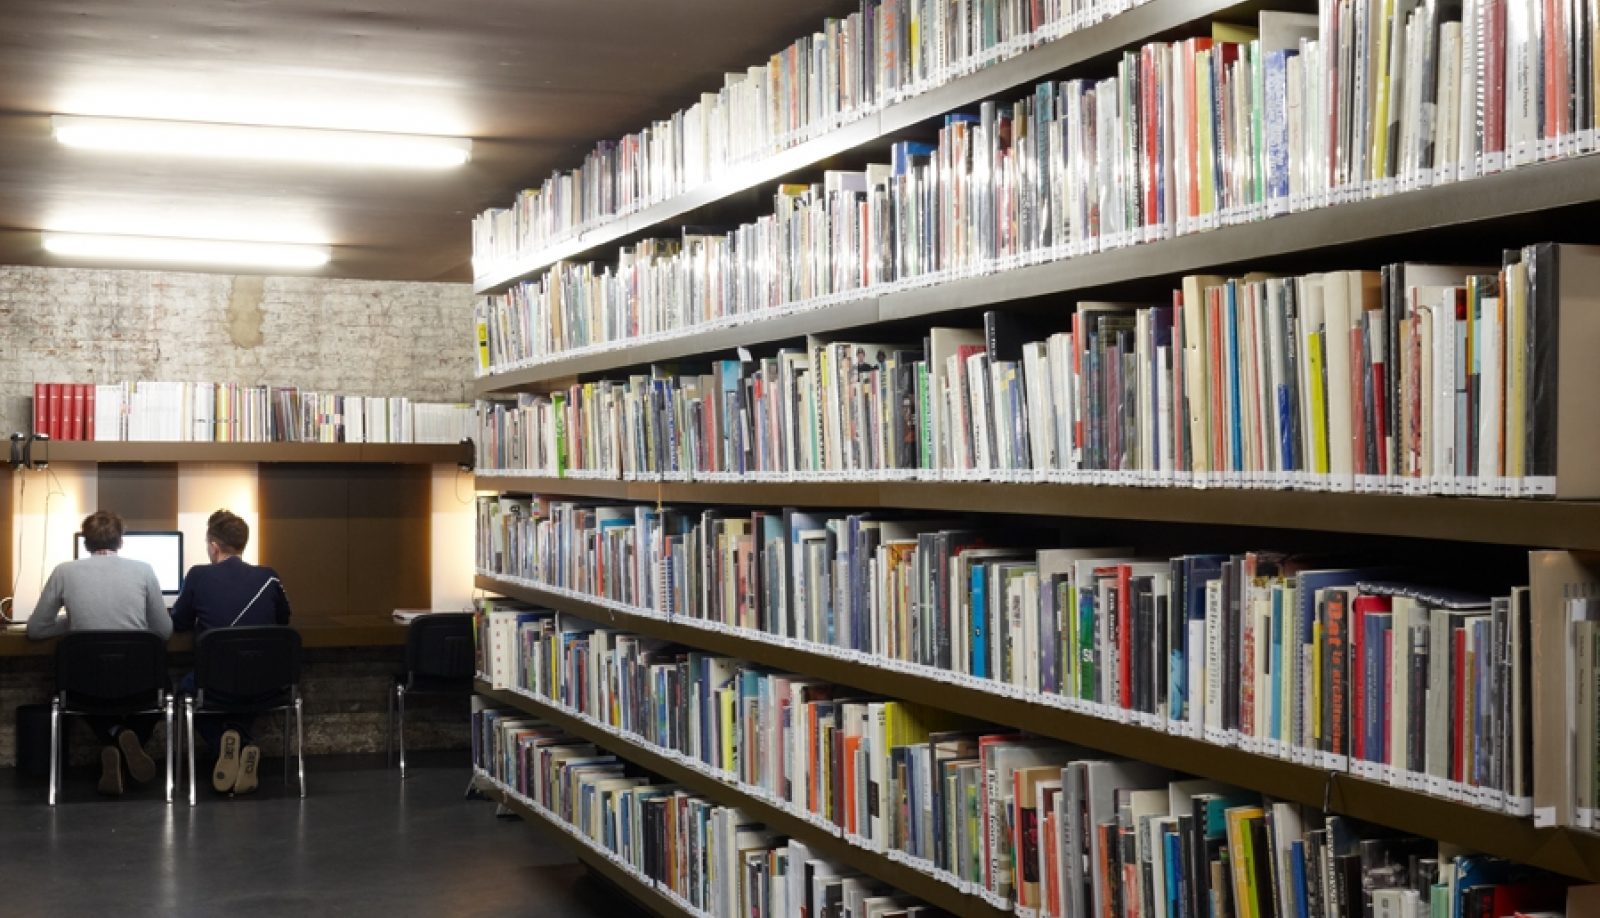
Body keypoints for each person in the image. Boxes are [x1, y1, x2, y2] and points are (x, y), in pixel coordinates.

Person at [27, 510, 171, 796]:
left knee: (78, 694)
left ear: (85, 542)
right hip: (138, 685)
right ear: (121, 540)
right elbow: (164, 631)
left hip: (85, 686)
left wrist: (75, 622)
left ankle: (114, 737)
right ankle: (129, 739)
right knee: (163, 689)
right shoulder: (143, 570)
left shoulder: (64, 571)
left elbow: (36, 629)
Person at [171, 509, 291, 795]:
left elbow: (179, 622)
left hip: (215, 684)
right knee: (244, 686)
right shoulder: (270, 577)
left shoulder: (198, 576)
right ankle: (242, 742)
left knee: (186, 692)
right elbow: (284, 619)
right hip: (268, 685)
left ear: (214, 546)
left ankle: (225, 741)